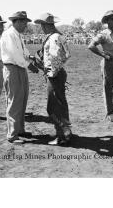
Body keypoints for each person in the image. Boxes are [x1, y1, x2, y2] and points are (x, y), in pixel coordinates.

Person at [0, 11, 38, 144]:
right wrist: (29, 65)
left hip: (20, 68)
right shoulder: (9, 34)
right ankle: (12, 134)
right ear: (15, 21)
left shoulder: (18, 35)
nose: (25, 25)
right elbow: (15, 55)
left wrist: (30, 57)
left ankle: (20, 129)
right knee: (15, 101)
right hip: (13, 68)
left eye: (26, 22)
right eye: (23, 22)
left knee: (22, 99)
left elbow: (23, 51)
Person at [34, 13, 72, 145]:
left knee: (53, 107)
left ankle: (62, 134)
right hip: (58, 73)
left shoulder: (53, 37)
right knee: (60, 103)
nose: (41, 28)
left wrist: (52, 71)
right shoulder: (58, 36)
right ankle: (66, 132)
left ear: (46, 25)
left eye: (42, 25)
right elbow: (67, 55)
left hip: (54, 75)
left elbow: (55, 56)